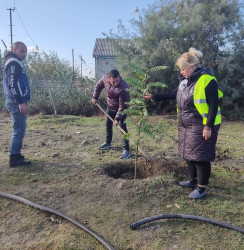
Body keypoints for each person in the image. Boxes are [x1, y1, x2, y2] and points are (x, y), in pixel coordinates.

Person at [144, 48, 223, 199]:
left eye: (183, 69)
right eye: (180, 69)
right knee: (189, 155)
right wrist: (154, 96)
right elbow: (173, 93)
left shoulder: (207, 80)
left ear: (192, 66)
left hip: (202, 124)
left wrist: (208, 126)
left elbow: (214, 105)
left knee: (201, 156)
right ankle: (193, 181)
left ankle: (201, 188)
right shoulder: (185, 82)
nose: (181, 72)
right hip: (186, 125)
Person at [3, 41, 31, 167]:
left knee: (20, 129)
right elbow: (12, 84)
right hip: (15, 102)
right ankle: (14, 158)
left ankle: (16, 154)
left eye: (25, 51)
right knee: (19, 130)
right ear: (14, 50)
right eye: (21, 51)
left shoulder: (15, 62)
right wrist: (20, 102)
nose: (24, 54)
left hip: (17, 101)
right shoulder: (13, 62)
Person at [92, 69, 130, 159]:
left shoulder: (124, 87)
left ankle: (126, 150)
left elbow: (123, 106)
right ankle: (108, 143)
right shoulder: (105, 78)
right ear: (109, 79)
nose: (116, 83)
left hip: (121, 109)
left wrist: (117, 118)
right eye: (113, 81)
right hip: (110, 106)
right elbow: (98, 86)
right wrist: (95, 97)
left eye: (117, 81)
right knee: (108, 124)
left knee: (122, 127)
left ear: (119, 78)